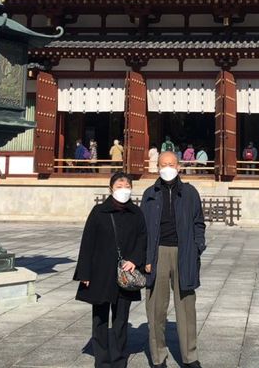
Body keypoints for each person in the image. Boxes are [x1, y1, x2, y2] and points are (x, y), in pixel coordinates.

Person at [74, 172, 146, 368]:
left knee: (121, 319)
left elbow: (142, 239)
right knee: (99, 318)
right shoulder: (99, 212)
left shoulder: (136, 213)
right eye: (119, 185)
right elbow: (87, 242)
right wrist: (84, 273)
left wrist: (135, 260)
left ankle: (119, 358)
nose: (124, 189)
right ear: (111, 189)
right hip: (100, 273)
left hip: (125, 273)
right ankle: (102, 359)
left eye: (127, 185)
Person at [141, 152, 206, 368]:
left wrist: (197, 246)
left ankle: (190, 356)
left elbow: (199, 223)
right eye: (163, 164)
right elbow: (143, 229)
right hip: (158, 253)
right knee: (156, 308)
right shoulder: (150, 193)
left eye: (171, 164)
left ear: (178, 166)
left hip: (184, 251)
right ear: (157, 167)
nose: (167, 168)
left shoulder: (189, 193)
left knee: (186, 306)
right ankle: (158, 356)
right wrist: (146, 256)